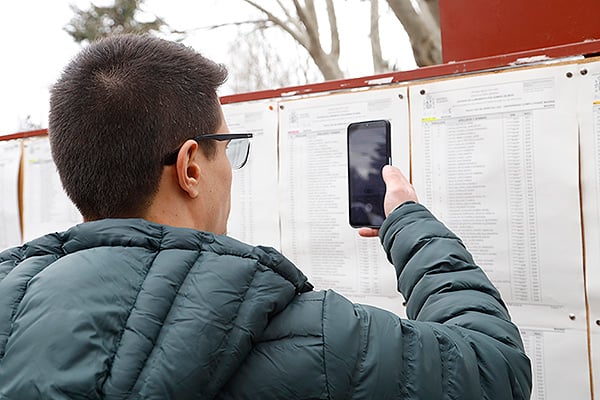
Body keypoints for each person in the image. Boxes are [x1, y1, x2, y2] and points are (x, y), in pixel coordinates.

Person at [0, 34, 531, 399]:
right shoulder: (301, 334)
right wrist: (410, 223)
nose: (229, 167)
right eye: (225, 147)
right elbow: (494, 370)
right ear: (189, 167)